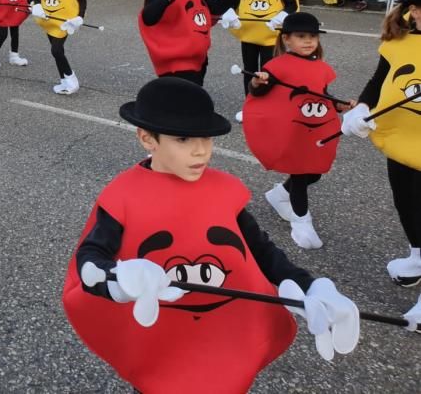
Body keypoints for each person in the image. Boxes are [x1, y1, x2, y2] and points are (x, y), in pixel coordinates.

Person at [62, 77, 360, 394]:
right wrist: (115, 278)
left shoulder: (225, 190)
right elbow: (91, 258)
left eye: (206, 138)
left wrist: (309, 286)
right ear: (147, 138)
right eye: (183, 140)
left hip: (221, 331)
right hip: (160, 335)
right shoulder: (122, 195)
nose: (201, 151)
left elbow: (261, 250)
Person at [244, 12, 354, 249]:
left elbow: (322, 95)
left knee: (315, 172)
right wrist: (257, 82)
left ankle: (279, 195)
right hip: (291, 131)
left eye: (312, 36)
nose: (308, 41)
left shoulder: (321, 67)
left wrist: (339, 105)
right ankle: (302, 221)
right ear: (287, 39)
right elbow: (258, 93)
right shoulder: (276, 66)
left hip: (315, 130)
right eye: (301, 36)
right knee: (301, 175)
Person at [341, 0, 421, 286]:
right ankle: (417, 254)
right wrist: (362, 107)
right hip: (402, 138)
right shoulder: (397, 44)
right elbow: (378, 81)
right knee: (406, 201)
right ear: (414, 11)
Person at [220, 0, 299, 121]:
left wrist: (282, 16)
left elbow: (291, 4)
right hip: (248, 34)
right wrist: (229, 14)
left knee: (269, 71)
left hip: (270, 36)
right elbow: (233, 0)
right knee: (249, 70)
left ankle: (269, 105)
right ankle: (251, 103)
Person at [30, 0, 87, 95]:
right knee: (57, 51)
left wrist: (80, 17)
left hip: (64, 21)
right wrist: (37, 6)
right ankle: (64, 81)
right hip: (48, 20)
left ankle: (71, 78)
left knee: (56, 50)